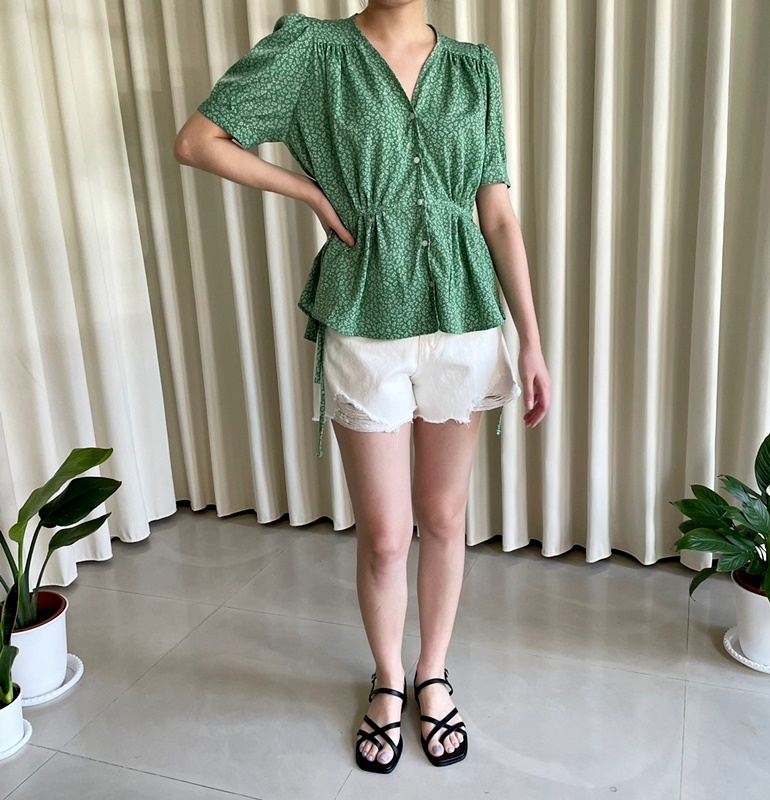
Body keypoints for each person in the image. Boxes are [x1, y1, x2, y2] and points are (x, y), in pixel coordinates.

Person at [174, 0, 550, 774]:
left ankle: (431, 673)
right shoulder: (313, 51)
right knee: (384, 536)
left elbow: (497, 214)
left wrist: (533, 342)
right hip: (364, 319)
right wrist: (309, 192)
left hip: (462, 321)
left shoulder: (475, 68)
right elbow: (197, 141)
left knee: (444, 517)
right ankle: (387, 677)